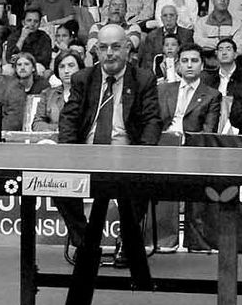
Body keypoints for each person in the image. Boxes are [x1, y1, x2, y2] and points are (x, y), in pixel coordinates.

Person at [57, 24, 162, 264]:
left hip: (127, 155)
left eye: (116, 47)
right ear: (96, 51)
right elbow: (69, 118)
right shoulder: (83, 78)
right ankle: (86, 242)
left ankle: (127, 239)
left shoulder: (143, 79)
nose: (110, 53)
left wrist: (142, 156)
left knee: (140, 182)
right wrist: (68, 154)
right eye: (103, 48)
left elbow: (152, 120)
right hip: (86, 155)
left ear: (127, 48)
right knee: (57, 183)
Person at [157, 46, 222, 142]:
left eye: (194, 61)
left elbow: (208, 133)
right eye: (184, 61)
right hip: (162, 143)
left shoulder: (212, 95)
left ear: (202, 65)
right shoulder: (163, 89)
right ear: (178, 65)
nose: (189, 65)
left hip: (192, 146)